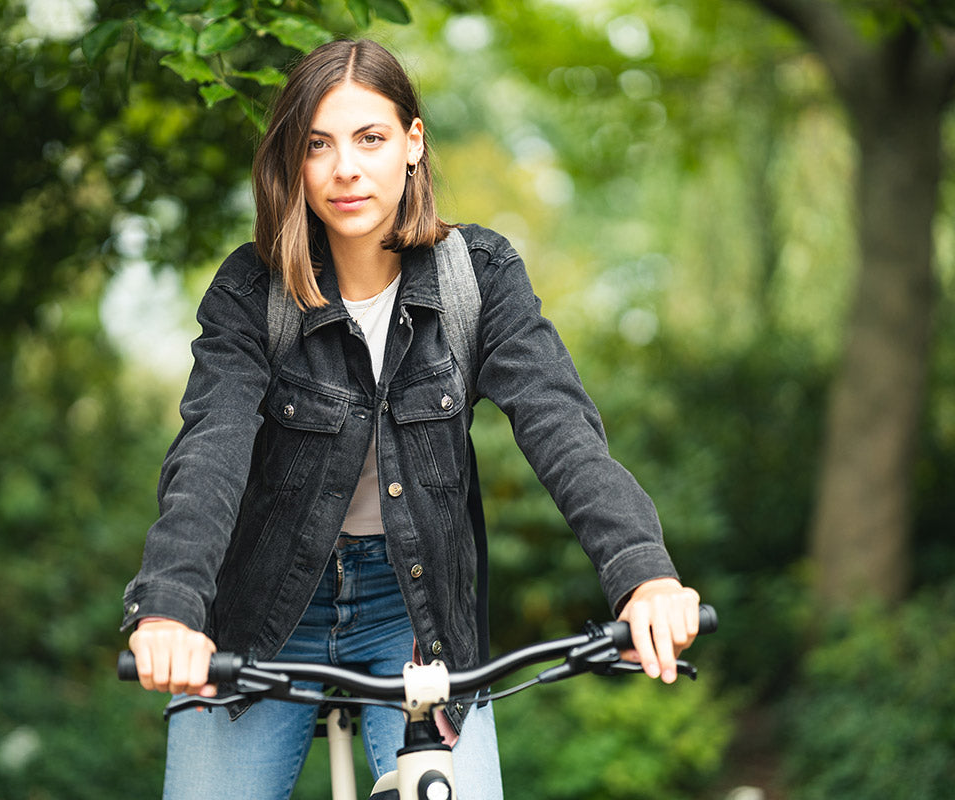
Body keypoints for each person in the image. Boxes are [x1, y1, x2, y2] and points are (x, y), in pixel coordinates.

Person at [122, 38, 701, 800]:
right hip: (263, 610)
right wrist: (169, 609)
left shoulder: (479, 279)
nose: (345, 169)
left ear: (413, 143)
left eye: (371, 138)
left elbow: (560, 427)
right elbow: (210, 449)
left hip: (414, 609)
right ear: (293, 161)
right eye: (318, 145)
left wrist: (644, 576)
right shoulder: (250, 293)